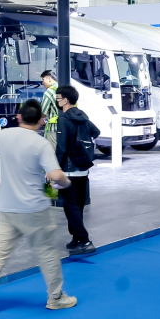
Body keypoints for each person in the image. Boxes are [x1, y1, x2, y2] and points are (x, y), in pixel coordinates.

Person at [0, 99, 75, 317]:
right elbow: (55, 175)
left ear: (19, 117)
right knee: (47, 253)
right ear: (41, 120)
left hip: (7, 208)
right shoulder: (41, 144)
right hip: (35, 210)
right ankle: (56, 298)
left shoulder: (4, 135)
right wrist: (66, 183)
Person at [55, 85, 100, 255]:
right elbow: (96, 131)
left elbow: (61, 148)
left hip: (68, 170)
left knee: (70, 206)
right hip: (83, 169)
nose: (57, 101)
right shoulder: (83, 116)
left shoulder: (63, 119)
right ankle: (76, 239)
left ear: (65, 100)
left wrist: (54, 168)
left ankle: (85, 240)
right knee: (77, 205)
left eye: (58, 99)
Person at [39, 70, 58, 144]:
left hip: (53, 129)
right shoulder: (64, 88)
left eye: (43, 80)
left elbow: (43, 112)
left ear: (49, 79)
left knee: (52, 150)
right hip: (66, 128)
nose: (42, 83)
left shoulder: (49, 92)